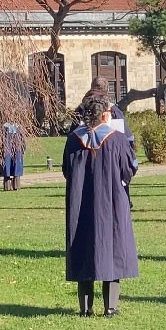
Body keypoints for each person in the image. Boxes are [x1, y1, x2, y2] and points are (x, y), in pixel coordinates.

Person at [63, 95, 139, 317]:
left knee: (83, 247)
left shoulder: (73, 140)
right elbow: (129, 168)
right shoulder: (116, 139)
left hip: (81, 202)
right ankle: (110, 307)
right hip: (111, 202)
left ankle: (85, 308)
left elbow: (67, 170)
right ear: (105, 114)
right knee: (111, 249)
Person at [0, 119, 26, 191]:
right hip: (16, 148)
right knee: (15, 166)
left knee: (7, 166)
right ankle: (16, 185)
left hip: (6, 149)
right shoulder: (19, 127)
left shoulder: (3, 127)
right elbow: (23, 140)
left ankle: (7, 186)